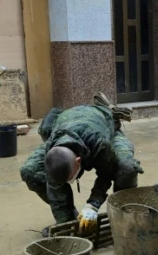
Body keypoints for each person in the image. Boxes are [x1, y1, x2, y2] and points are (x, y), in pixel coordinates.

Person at [20, 93, 143, 234]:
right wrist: (66, 226)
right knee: (30, 171)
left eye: (70, 177)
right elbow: (55, 185)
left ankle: (124, 215)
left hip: (105, 129)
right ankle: (70, 219)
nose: (69, 181)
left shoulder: (99, 143)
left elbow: (106, 174)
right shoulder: (52, 144)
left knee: (126, 168)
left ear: (79, 160)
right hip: (69, 126)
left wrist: (93, 204)